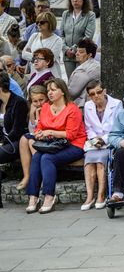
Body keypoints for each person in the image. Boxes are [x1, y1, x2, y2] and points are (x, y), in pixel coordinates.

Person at [25, 78, 87, 214]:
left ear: (63, 92)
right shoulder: (46, 107)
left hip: (74, 145)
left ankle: (49, 197)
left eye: (53, 90)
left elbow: (71, 134)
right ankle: (33, 197)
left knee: (47, 158)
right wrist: (39, 133)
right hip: (51, 144)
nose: (50, 93)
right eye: (48, 90)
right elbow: (39, 127)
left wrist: (51, 132)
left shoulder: (72, 109)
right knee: (37, 157)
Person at [82, 80, 123, 210]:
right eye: (92, 94)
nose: (96, 96)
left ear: (104, 91)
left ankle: (100, 195)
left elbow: (119, 126)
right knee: (88, 162)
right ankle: (89, 197)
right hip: (95, 143)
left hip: (110, 141)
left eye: (99, 92)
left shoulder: (116, 104)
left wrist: (104, 139)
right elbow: (88, 127)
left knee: (100, 162)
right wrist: (94, 139)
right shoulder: (88, 106)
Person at [17, 85, 48, 191]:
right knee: (23, 139)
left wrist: (39, 117)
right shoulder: (33, 109)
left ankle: (41, 176)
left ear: (46, 98)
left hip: (48, 135)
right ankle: (27, 176)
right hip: (37, 134)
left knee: (30, 141)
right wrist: (32, 115)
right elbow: (32, 130)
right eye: (35, 101)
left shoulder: (49, 107)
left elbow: (42, 128)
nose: (39, 103)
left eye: (41, 100)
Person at [60, 0, 96, 78]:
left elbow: (88, 36)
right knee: (71, 81)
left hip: (81, 55)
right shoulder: (65, 14)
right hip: (67, 56)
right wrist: (66, 49)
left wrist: (74, 49)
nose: (75, 0)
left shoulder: (90, 15)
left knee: (81, 81)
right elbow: (61, 35)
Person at [22, 11, 63, 78]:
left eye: (42, 22)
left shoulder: (57, 40)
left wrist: (32, 57)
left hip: (50, 75)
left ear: (50, 23)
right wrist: (41, 57)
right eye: (37, 22)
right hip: (34, 73)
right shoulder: (34, 36)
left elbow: (50, 60)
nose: (39, 24)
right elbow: (23, 54)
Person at [0, 71, 28, 167]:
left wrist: (3, 142)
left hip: (17, 142)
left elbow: (17, 131)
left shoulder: (19, 103)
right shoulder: (1, 103)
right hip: (4, 141)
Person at [67, 39, 100, 107]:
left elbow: (73, 91)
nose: (77, 53)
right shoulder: (91, 65)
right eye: (77, 51)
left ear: (90, 54)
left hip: (83, 105)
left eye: (81, 52)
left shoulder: (90, 68)